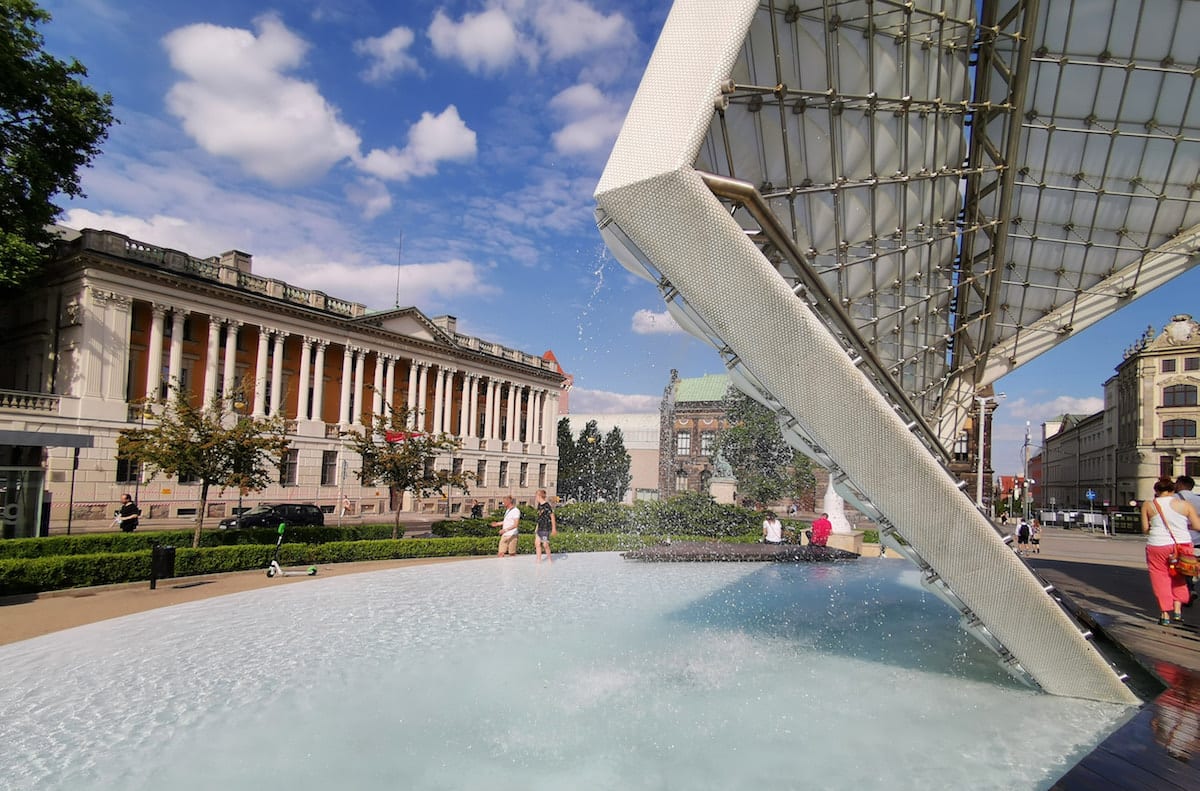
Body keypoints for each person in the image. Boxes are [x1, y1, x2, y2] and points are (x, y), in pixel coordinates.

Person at [1141, 476, 1200, 626]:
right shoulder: (1184, 505)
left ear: (1156, 490)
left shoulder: (1149, 505)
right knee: (1180, 576)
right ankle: (1178, 611)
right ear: (1173, 490)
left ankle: (1165, 614)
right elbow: (1197, 526)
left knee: (1160, 578)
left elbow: (1145, 529)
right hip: (1182, 544)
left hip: (1157, 545)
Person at [1175, 476, 1200, 603]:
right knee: (1193, 565)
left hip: (1181, 539)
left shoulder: (1173, 500)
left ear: (1180, 485)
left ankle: (1188, 590)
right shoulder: (1198, 500)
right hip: (1198, 539)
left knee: (1183, 568)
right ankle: (1191, 586)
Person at [533, 489, 557, 563]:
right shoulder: (539, 505)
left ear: (539, 496)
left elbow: (552, 516)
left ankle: (550, 559)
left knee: (545, 544)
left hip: (545, 528)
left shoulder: (547, 505)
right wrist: (536, 527)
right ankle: (539, 559)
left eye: (536, 496)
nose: (535, 497)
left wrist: (554, 528)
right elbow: (539, 517)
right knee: (537, 543)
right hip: (540, 527)